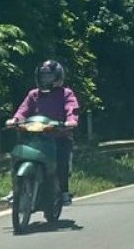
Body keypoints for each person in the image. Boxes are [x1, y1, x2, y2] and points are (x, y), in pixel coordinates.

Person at [9, 59, 80, 204]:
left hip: (59, 136)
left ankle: (64, 192)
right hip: (35, 137)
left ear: (58, 76)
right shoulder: (33, 94)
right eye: (43, 75)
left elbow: (72, 109)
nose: (45, 78)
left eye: (49, 75)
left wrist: (70, 121)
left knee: (61, 162)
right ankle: (16, 189)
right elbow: (23, 109)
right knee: (18, 156)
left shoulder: (66, 93)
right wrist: (15, 120)